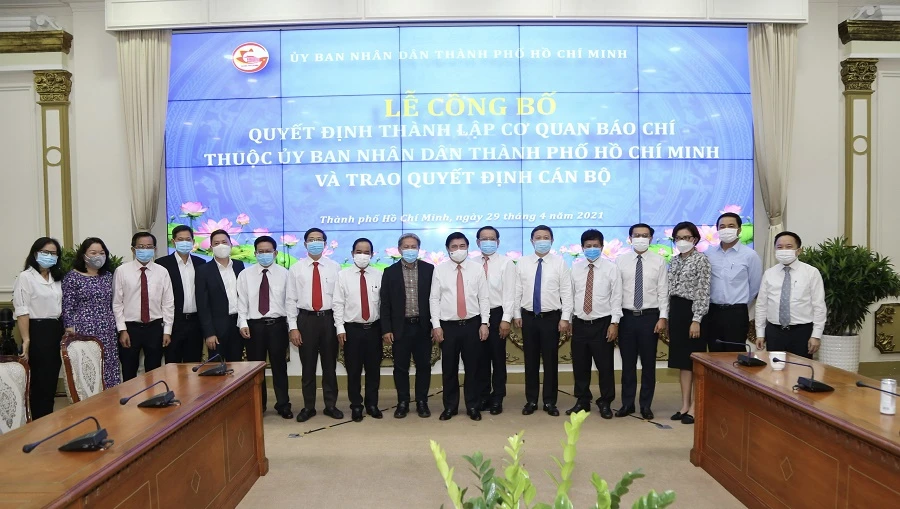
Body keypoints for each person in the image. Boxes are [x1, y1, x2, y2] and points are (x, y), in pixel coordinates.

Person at [513, 225, 573, 417]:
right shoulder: (522, 263)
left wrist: (565, 318)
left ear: (552, 240)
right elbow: (517, 290)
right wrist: (516, 314)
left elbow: (566, 292)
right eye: (538, 237)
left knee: (550, 361)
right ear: (532, 241)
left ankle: (549, 401)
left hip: (551, 318)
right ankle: (531, 400)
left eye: (546, 237)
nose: (542, 241)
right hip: (528, 318)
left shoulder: (560, 263)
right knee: (530, 361)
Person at [430, 232, 490, 421]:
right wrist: (436, 325)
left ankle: (473, 406)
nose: (458, 250)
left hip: (472, 324)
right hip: (448, 327)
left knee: (473, 368)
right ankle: (450, 407)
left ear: (468, 247)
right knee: (449, 368)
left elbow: (484, 298)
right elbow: (434, 299)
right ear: (447, 249)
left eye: (462, 246)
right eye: (454, 247)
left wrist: (484, 323)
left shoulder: (476, 269)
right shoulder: (440, 270)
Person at [286, 228, 343, 422]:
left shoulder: (335, 267)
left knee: (329, 366)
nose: (315, 242)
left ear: (325, 244)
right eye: (311, 239)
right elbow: (290, 299)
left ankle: (330, 405)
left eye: (319, 239)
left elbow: (339, 299)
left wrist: (339, 325)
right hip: (306, 320)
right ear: (305, 244)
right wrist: (293, 327)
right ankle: (308, 407)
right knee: (308, 367)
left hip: (329, 319)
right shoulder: (296, 269)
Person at [565, 229, 622, 419]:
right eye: (588, 246)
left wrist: (614, 323)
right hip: (580, 323)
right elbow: (570, 297)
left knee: (605, 367)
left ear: (602, 247)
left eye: (595, 246)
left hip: (602, 324)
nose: (591, 249)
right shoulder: (575, 269)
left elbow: (616, 297)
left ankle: (605, 401)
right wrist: (569, 319)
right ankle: (582, 400)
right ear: (582, 248)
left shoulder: (611, 268)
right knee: (580, 366)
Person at [615, 223, 668, 420]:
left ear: (651, 238)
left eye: (644, 235)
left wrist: (663, 317)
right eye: (636, 235)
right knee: (628, 364)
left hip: (650, 317)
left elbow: (663, 291)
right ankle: (627, 404)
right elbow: (616, 292)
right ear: (630, 238)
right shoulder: (620, 261)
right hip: (626, 317)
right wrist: (615, 319)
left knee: (648, 364)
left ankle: (646, 405)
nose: (640, 238)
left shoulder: (659, 261)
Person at [379, 233, 434, 418]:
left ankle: (422, 402)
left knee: (424, 366)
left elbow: (436, 299)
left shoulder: (429, 270)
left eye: (413, 246)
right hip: (400, 328)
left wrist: (435, 325)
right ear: (399, 249)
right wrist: (386, 329)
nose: (410, 250)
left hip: (423, 327)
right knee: (401, 367)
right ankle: (402, 402)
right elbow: (385, 303)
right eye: (406, 246)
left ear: (419, 249)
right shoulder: (390, 272)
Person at [238, 236, 292, 419]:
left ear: (275, 253)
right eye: (260, 251)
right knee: (256, 369)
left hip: (277, 326)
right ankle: (258, 405)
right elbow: (241, 302)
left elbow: (290, 302)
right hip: (254, 327)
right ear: (255, 253)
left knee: (279, 367)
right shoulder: (245, 275)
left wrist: (291, 326)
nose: (264, 254)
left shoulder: (285, 274)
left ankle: (283, 404)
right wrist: (242, 323)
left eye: (268, 251)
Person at [13, 237, 63, 419]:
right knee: (40, 381)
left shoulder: (56, 278)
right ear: (35, 254)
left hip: (56, 329)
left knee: (51, 381)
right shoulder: (26, 277)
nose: (49, 256)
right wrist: (26, 339)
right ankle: (39, 422)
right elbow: (22, 310)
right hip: (38, 330)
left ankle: (48, 419)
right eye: (45, 252)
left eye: (53, 253)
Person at [754, 232, 826, 359]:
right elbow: (761, 305)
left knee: (801, 368)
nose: (784, 250)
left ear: (799, 250)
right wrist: (760, 333)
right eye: (779, 247)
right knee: (775, 368)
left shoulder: (811, 272)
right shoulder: (769, 274)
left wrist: (816, 335)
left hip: (801, 332)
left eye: (788, 247)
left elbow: (819, 306)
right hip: (774, 332)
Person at [334, 238, 383, 422]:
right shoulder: (343, 276)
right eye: (359, 252)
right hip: (352, 329)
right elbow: (338, 303)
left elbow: (384, 304)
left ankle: (372, 404)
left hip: (374, 329)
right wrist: (340, 328)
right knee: (353, 370)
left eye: (366, 252)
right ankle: (356, 405)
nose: (363, 255)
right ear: (352, 253)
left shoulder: (379, 274)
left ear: (372, 254)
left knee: (373, 370)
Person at [113, 232, 174, 381]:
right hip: (130, 328)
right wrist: (122, 330)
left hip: (154, 327)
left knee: (154, 372)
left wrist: (167, 331)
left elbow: (168, 303)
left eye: (149, 247)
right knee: (129, 370)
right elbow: (117, 303)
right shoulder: (122, 271)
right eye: (141, 247)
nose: (145, 250)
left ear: (155, 249)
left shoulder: (162, 272)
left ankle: (153, 395)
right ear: (133, 249)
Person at [667, 221, 711, 425]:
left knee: (694, 362)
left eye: (686, 237)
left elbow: (703, 292)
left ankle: (695, 406)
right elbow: (669, 290)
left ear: (695, 239)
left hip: (692, 313)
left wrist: (696, 320)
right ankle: (685, 405)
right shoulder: (674, 260)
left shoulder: (702, 260)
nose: (682, 241)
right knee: (682, 362)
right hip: (676, 312)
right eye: (678, 238)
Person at [62, 238, 121, 388]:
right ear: (84, 255)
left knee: (108, 366)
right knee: (89, 368)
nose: (98, 256)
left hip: (108, 330)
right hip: (84, 330)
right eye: (93, 253)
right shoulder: (72, 277)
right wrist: (69, 329)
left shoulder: (108, 276)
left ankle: (110, 398)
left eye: (101, 253)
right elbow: (68, 306)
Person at [703, 212, 762, 353]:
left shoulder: (750, 255)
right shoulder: (709, 254)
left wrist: (739, 303)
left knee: (735, 354)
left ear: (739, 230)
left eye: (731, 226)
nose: (726, 229)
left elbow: (755, 286)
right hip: (713, 311)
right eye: (722, 227)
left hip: (736, 313)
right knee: (714, 354)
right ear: (717, 230)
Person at [474, 226, 515, 415]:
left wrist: (506, 319)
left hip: (498, 314)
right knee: (480, 358)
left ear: (498, 242)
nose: (488, 242)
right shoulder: (472, 263)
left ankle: (498, 397)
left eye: (492, 239)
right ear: (477, 242)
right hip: (477, 316)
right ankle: (483, 396)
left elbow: (510, 294)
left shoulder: (506, 263)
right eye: (484, 239)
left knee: (497, 358)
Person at [156, 225, 206, 363]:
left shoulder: (200, 263)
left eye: (188, 239)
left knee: (193, 365)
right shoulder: (162, 264)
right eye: (180, 239)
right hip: (174, 323)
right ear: (173, 242)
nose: (184, 242)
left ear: (193, 241)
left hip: (195, 323)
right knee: (173, 365)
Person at [196, 229, 245, 363]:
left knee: (237, 367)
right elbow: (202, 305)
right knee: (215, 368)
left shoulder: (239, 266)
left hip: (238, 325)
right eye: (216, 243)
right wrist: (209, 333)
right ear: (211, 247)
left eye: (224, 242)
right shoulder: (203, 270)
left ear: (231, 245)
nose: (221, 246)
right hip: (216, 329)